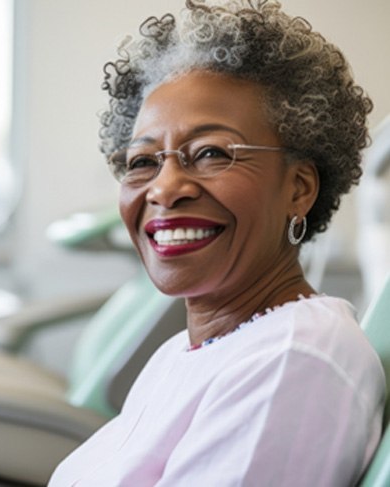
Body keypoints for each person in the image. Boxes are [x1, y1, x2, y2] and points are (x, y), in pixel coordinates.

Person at [49, 1, 386, 485]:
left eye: (210, 153)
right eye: (143, 161)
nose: (163, 189)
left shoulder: (293, 360)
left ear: (299, 188)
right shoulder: (181, 354)